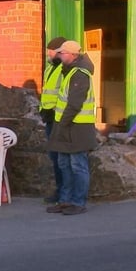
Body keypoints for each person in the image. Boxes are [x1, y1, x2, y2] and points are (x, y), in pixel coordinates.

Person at [46, 40, 97, 215]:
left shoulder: (80, 74)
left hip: (77, 128)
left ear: (73, 55)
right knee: (64, 164)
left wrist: (62, 125)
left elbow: (74, 104)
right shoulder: (68, 71)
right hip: (66, 125)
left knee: (77, 165)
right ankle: (65, 201)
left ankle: (78, 202)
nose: (59, 56)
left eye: (62, 53)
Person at [39, 36, 67, 204]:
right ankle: (60, 191)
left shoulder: (65, 69)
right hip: (50, 118)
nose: (48, 55)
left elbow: (64, 94)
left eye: (50, 52)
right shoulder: (50, 69)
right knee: (55, 158)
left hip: (59, 119)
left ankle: (65, 193)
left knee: (62, 159)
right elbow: (47, 93)